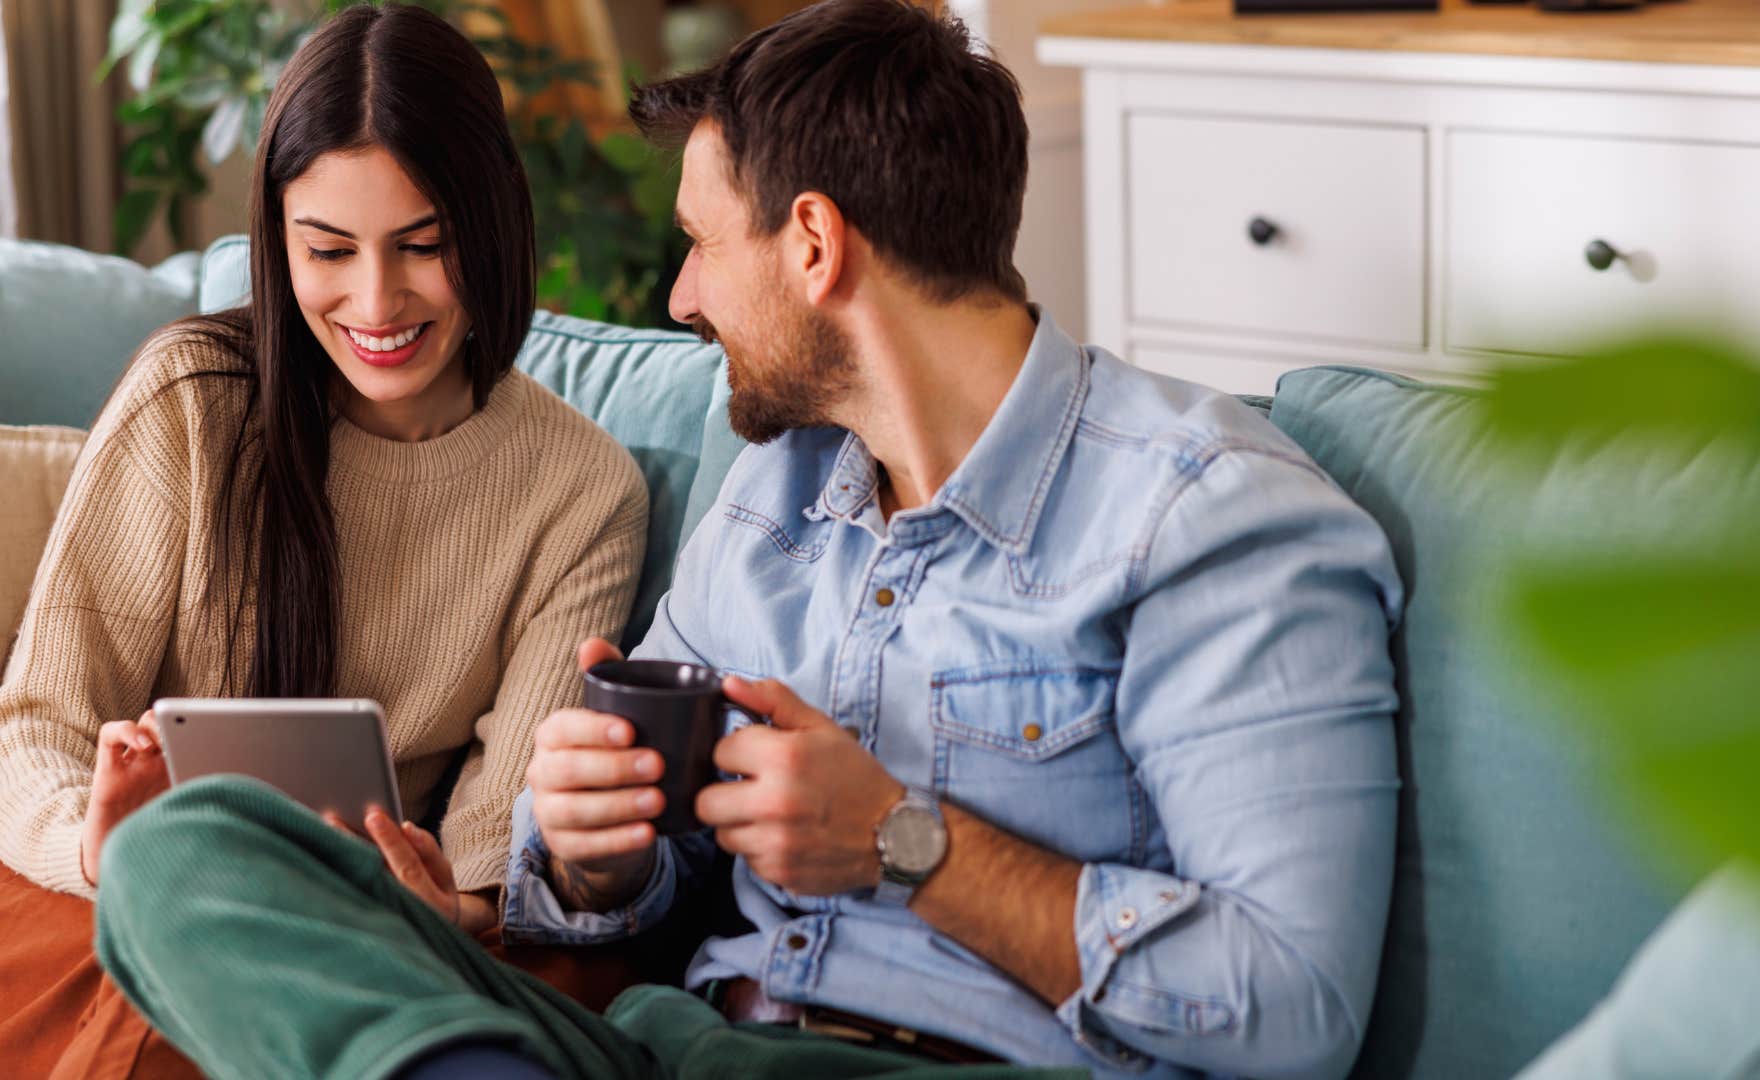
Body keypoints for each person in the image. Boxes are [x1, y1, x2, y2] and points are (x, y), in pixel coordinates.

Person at [87, 1, 1405, 1077]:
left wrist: (908, 841)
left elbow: (1290, 1011)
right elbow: (599, 872)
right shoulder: (778, 502)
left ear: (815, 243)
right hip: (677, 1047)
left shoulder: (1210, 522)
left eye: (704, 244)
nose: (679, 296)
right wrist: (596, 853)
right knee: (180, 849)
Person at [0, 7, 650, 1078]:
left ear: (491, 223)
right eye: (327, 250)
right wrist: (103, 848)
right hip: (72, 876)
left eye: (423, 246)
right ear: (279, 238)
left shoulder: (580, 489)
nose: (375, 301)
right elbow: (32, 723)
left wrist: (437, 899)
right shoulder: (194, 396)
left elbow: (502, 857)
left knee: (436, 982)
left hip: (361, 923)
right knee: (54, 939)